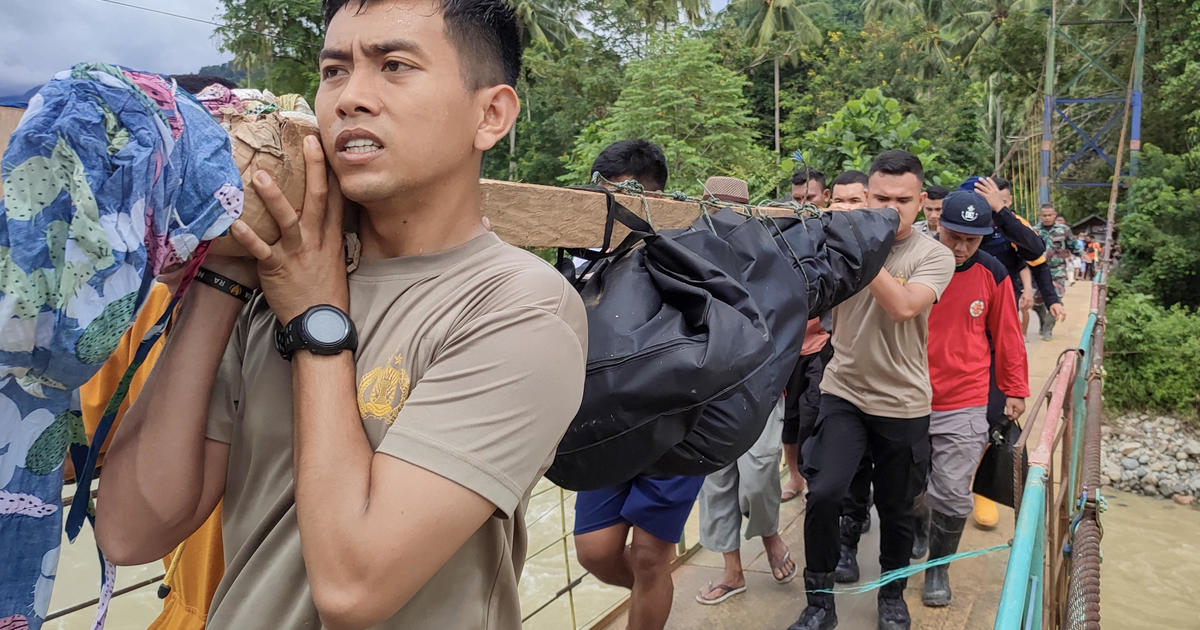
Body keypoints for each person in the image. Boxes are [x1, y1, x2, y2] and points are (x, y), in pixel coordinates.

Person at [96, 4, 589, 630]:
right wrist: (225, 275)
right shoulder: (273, 281)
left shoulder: (517, 308)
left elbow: (353, 588)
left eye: (395, 66)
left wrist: (317, 319)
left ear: (490, 114)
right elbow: (129, 531)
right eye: (335, 70)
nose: (351, 97)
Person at [789, 150, 955, 630]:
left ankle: (892, 595)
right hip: (844, 390)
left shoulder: (933, 255)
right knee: (824, 493)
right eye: (880, 197)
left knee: (897, 508)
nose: (890, 206)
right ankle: (819, 602)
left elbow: (904, 306)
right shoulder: (841, 241)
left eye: (903, 199)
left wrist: (862, 248)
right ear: (866, 196)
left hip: (903, 402)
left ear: (921, 202)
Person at [572, 145, 704, 630]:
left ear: (656, 197)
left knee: (650, 556)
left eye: (623, 195)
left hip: (675, 421)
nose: (611, 206)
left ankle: (653, 590)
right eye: (603, 194)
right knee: (595, 551)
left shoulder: (688, 252)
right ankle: (656, 590)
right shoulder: (582, 258)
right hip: (605, 420)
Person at [921, 191, 1029, 607]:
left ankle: (937, 569)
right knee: (909, 487)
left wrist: (1015, 388)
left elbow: (1008, 335)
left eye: (973, 239)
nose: (962, 247)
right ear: (937, 225)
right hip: (908, 395)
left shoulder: (993, 272)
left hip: (964, 398)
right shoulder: (916, 263)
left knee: (950, 490)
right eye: (954, 235)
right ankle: (916, 529)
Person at [694, 177, 797, 605]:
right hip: (706, 388)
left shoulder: (767, 255)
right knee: (716, 481)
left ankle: (770, 533)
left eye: (732, 209)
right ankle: (732, 570)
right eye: (715, 207)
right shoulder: (686, 249)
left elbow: (785, 315)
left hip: (758, 384)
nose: (723, 217)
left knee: (757, 473)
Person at [1034, 203, 1080, 341]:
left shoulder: (1064, 230)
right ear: (1040, 216)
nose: (1047, 218)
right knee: (1037, 302)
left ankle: (1048, 329)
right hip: (1038, 271)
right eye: (1044, 215)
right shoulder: (1034, 230)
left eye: (1050, 215)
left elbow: (1073, 246)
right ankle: (1043, 322)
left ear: (1055, 215)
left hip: (1057, 271)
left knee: (1056, 300)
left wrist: (1081, 254)